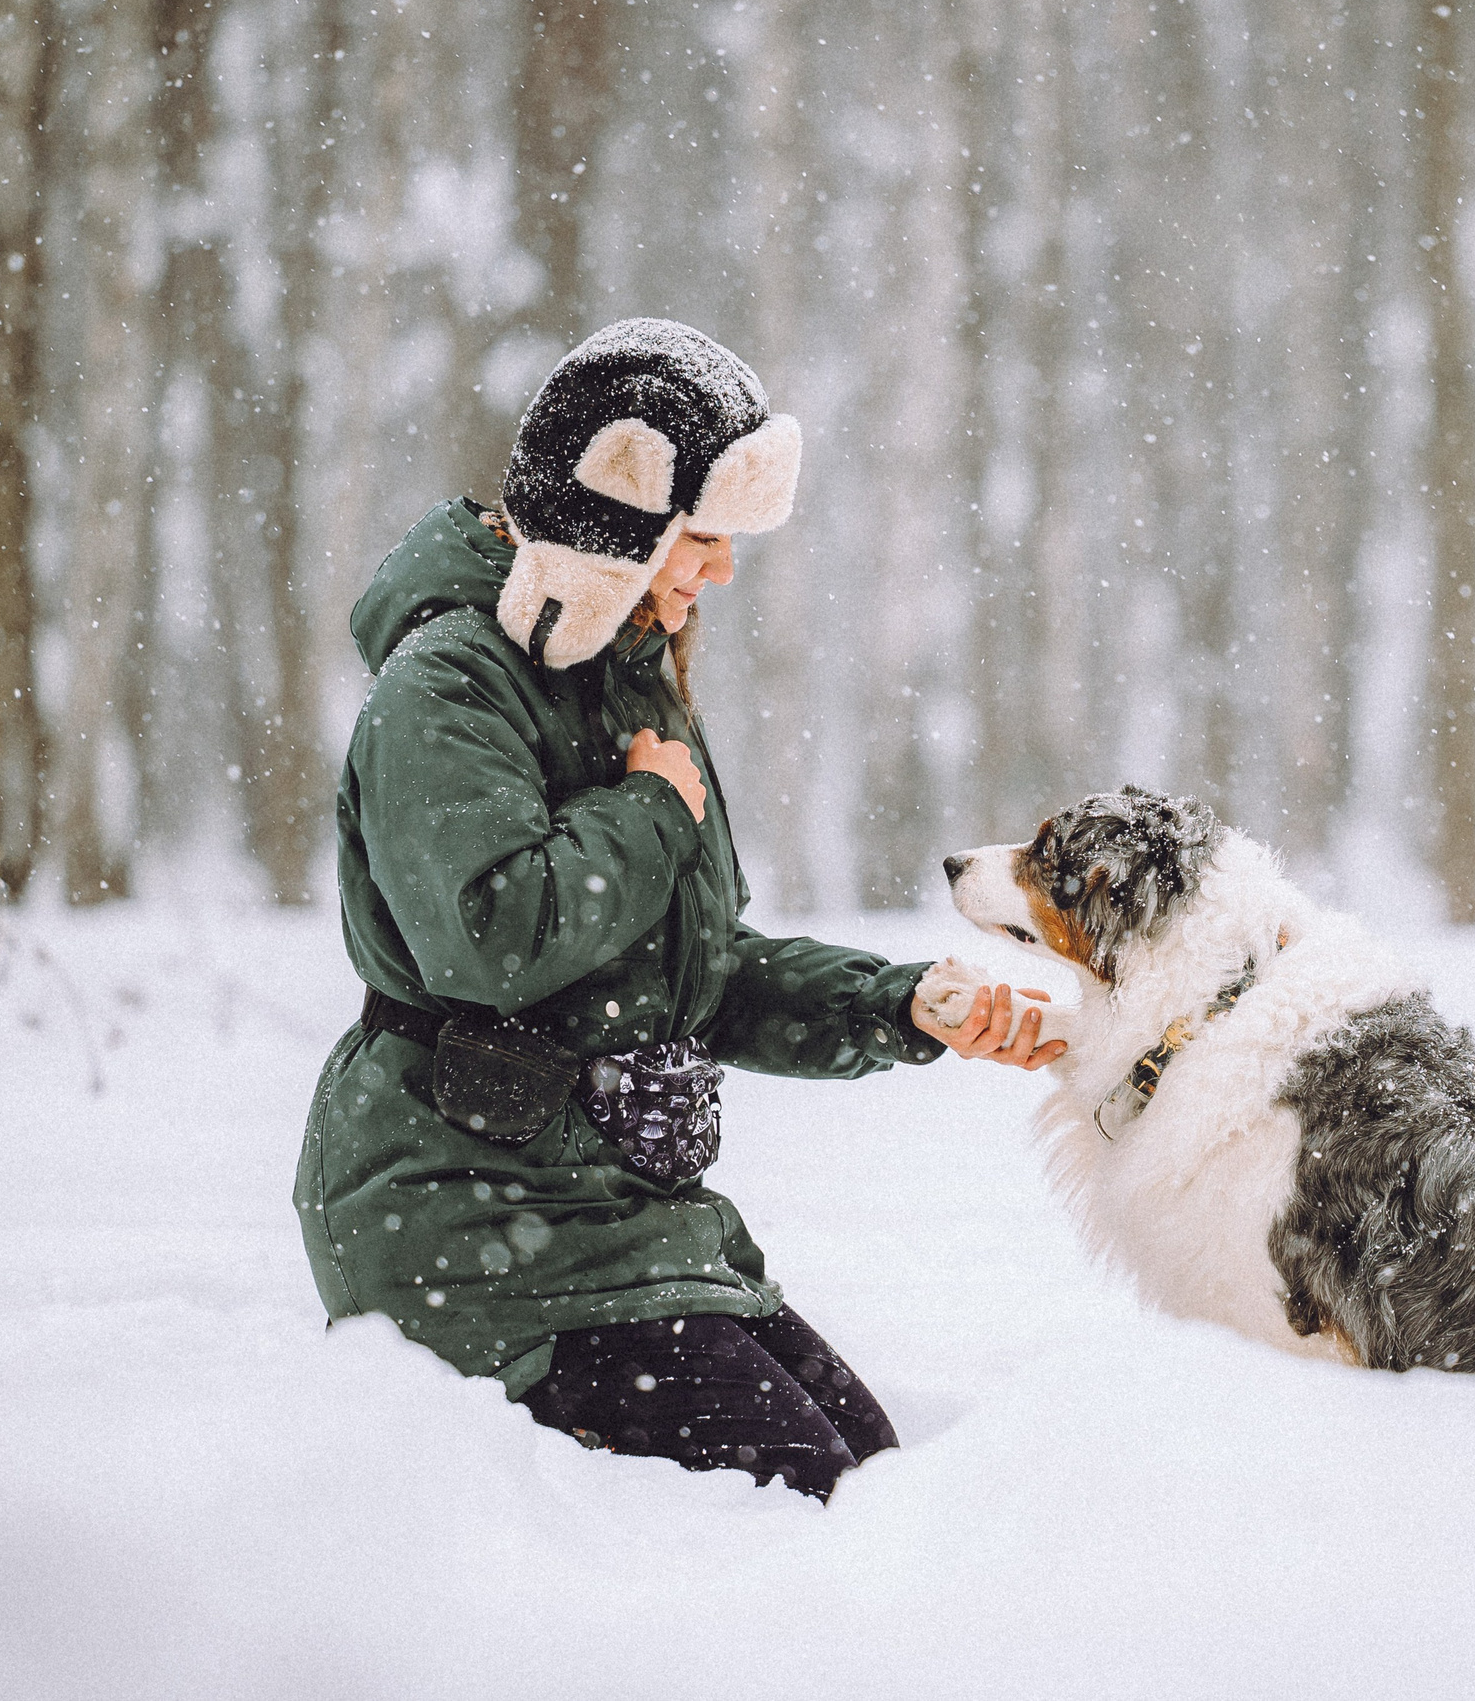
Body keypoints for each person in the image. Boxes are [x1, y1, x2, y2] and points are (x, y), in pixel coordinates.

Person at [295, 318, 1058, 1502]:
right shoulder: (446, 685)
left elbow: (696, 978)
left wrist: (903, 1006)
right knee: (807, 1502)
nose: (724, 571)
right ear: (615, 521)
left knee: (877, 1480)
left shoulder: (623, 675)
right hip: (465, 1229)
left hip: (630, 1224)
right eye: (701, 537)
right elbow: (497, 939)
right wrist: (650, 809)